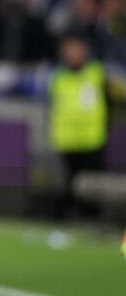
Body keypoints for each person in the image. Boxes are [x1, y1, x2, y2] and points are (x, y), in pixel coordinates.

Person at [48, 34, 108, 217]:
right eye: (69, 51)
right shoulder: (58, 78)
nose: (73, 54)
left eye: (76, 50)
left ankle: (95, 218)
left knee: (94, 184)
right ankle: (69, 218)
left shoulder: (96, 73)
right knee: (69, 184)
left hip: (92, 138)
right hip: (67, 140)